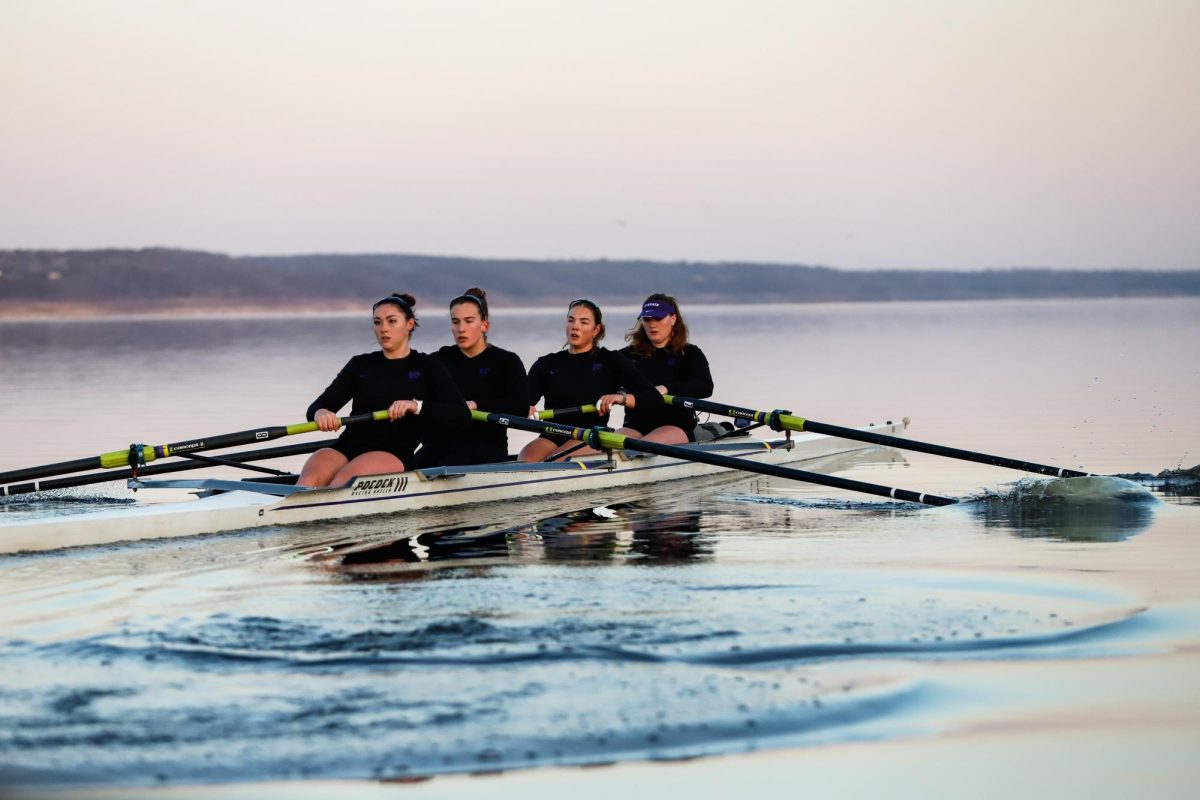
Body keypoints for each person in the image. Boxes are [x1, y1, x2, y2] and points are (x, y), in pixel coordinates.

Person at [297, 293, 470, 487]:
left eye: (391, 321)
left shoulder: (428, 366)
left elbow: (460, 413)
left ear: (409, 324)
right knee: (307, 482)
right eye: (377, 323)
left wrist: (416, 406)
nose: (383, 329)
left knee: (343, 482)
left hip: (391, 451)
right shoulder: (360, 365)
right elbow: (319, 405)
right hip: (346, 446)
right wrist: (322, 413)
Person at [520, 298, 662, 462]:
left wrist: (621, 398)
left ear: (596, 330)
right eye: (571, 320)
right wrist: (524, 407)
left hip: (591, 435)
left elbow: (654, 398)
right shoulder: (546, 364)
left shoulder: (611, 361)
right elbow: (522, 402)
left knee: (555, 461)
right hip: (553, 433)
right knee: (525, 459)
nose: (575, 326)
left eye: (584, 322)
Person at [417, 288, 529, 466]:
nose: (461, 329)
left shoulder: (507, 361)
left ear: (485, 325)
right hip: (439, 445)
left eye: (469, 321)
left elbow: (520, 407)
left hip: (486, 446)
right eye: (455, 322)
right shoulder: (436, 361)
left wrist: (477, 405)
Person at [616, 293, 714, 444]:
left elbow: (705, 387)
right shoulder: (626, 356)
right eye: (647, 319)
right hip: (635, 427)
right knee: (606, 445)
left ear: (673, 319)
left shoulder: (689, 353)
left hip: (677, 426)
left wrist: (667, 388)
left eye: (658, 318)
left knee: (642, 447)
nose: (652, 324)